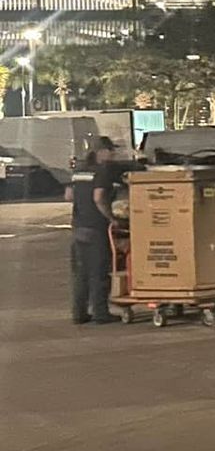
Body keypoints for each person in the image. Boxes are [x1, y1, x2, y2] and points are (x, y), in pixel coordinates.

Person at [68, 136, 126, 325]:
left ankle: (79, 314)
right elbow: (99, 197)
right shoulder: (102, 171)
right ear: (101, 152)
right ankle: (101, 313)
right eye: (111, 151)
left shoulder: (79, 171)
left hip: (78, 226)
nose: (113, 154)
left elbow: (68, 195)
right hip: (96, 227)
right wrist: (112, 218)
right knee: (98, 272)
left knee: (81, 274)